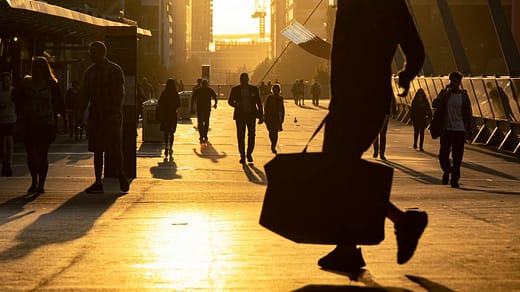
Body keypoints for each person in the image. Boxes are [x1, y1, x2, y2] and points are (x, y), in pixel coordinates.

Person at [318, 0, 428, 272]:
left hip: (353, 102)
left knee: (339, 170)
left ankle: (393, 227)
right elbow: (416, 52)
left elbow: (343, 55)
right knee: (343, 171)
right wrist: (405, 75)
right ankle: (355, 243)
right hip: (367, 100)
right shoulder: (394, 6)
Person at [78, 41, 129, 194]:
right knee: (98, 149)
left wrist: (114, 112)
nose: (90, 55)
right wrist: (80, 115)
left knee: (115, 149)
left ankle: (120, 174)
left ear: (101, 53)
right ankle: (98, 181)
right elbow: (84, 95)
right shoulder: (90, 72)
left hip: (111, 116)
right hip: (96, 116)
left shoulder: (114, 70)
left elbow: (120, 94)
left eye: (93, 52)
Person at [14, 57, 64, 194]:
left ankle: (41, 183)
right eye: (33, 67)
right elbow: (16, 98)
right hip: (29, 123)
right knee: (31, 154)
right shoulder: (26, 83)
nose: (35, 70)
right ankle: (34, 180)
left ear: (44, 69)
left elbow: (58, 103)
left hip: (45, 123)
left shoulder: (51, 84)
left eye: (38, 67)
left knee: (42, 154)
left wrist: (61, 121)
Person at [432, 71, 473, 188]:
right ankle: (447, 170)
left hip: (459, 130)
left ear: (459, 83)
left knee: (457, 157)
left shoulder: (464, 96)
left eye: (455, 81)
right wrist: (443, 94)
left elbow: (468, 113)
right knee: (443, 155)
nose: (452, 83)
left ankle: (454, 180)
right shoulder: (445, 94)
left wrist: (469, 130)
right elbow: (434, 104)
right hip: (446, 129)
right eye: (451, 81)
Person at [228, 73, 263, 164]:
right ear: (240, 80)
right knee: (241, 136)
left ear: (248, 80)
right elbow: (230, 101)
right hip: (240, 116)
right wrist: (236, 104)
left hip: (251, 115)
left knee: (252, 135)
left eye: (246, 79)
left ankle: (249, 153)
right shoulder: (235, 90)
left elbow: (259, 102)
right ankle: (242, 155)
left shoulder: (254, 89)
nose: (244, 81)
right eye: (243, 79)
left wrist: (261, 115)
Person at [156, 79, 180, 158]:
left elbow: (159, 103)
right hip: (172, 114)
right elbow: (179, 103)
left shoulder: (164, 93)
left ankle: (166, 146)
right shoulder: (175, 93)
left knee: (166, 132)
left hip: (165, 115)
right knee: (172, 132)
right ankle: (171, 147)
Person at [0, 72, 16, 177]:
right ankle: (4, 163)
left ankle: (8, 164)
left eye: (8, 81)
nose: (6, 83)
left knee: (9, 142)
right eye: (4, 81)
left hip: (11, 119)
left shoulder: (13, 91)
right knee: (2, 144)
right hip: (1, 120)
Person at [264, 84, 285, 154]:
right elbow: (266, 108)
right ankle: (272, 143)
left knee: (275, 132)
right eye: (275, 89)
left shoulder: (280, 98)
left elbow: (282, 109)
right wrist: (265, 117)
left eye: (277, 90)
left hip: (277, 117)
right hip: (269, 117)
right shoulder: (269, 97)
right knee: (271, 131)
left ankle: (273, 145)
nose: (276, 91)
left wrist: (282, 117)